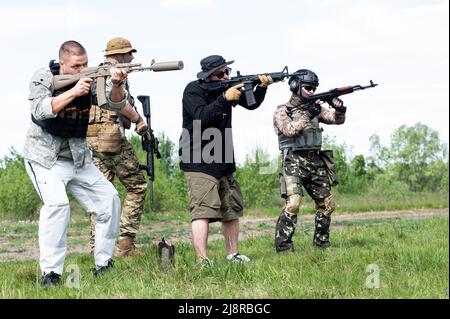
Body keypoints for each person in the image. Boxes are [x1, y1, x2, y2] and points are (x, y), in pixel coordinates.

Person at [24, 40, 129, 287]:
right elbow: (40, 110)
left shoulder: (92, 79)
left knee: (109, 201)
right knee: (58, 206)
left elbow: (113, 105)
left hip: (78, 158)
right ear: (62, 63)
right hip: (45, 159)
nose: (82, 69)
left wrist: (115, 83)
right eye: (75, 66)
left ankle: (103, 265)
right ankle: (51, 274)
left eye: (85, 64)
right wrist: (74, 91)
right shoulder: (43, 76)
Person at [179, 55, 274, 265]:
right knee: (202, 211)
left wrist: (262, 87)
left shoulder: (228, 90)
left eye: (227, 72)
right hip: (198, 159)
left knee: (230, 210)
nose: (226, 76)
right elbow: (201, 117)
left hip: (223, 158)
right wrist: (224, 98)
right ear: (208, 76)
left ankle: (233, 254)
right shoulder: (193, 90)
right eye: (220, 74)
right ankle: (202, 260)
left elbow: (251, 104)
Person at [87, 37, 148, 257]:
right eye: (129, 53)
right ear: (119, 55)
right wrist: (139, 121)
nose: (132, 58)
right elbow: (117, 103)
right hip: (109, 137)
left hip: (92, 140)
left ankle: (97, 248)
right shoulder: (108, 75)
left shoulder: (95, 73)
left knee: (100, 196)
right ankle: (125, 245)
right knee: (137, 186)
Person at [273, 69, 346, 252]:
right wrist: (309, 115)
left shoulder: (315, 108)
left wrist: (340, 109)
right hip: (294, 161)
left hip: (315, 161)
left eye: (314, 88)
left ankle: (322, 244)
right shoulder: (283, 110)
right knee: (294, 203)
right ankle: (284, 248)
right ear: (295, 86)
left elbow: (336, 120)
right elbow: (289, 130)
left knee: (327, 204)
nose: (312, 91)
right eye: (308, 87)